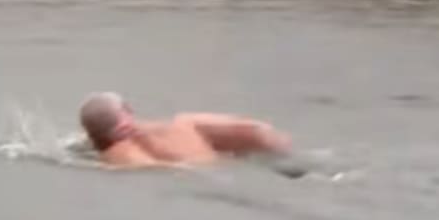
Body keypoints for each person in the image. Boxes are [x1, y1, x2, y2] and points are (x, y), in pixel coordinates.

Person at [78, 92, 302, 176]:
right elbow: (257, 130)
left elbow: (156, 170)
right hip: (252, 163)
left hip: (210, 176)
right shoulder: (186, 123)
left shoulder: (119, 153)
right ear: (128, 111)